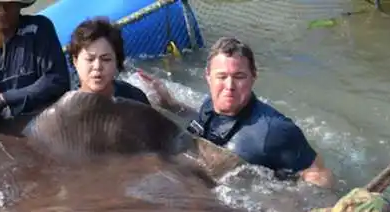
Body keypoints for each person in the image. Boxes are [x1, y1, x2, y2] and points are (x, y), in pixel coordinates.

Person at [138, 36, 333, 188]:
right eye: (221, 76)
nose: (229, 86)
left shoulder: (274, 130)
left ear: (253, 77)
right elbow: (205, 124)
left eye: (239, 76)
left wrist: (289, 203)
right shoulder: (210, 104)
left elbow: (319, 173)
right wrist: (169, 104)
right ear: (208, 77)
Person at [67, 17, 151, 105]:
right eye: (90, 59)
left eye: (106, 59)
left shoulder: (135, 98)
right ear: (75, 61)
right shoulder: (64, 111)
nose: (97, 66)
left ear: (117, 61)